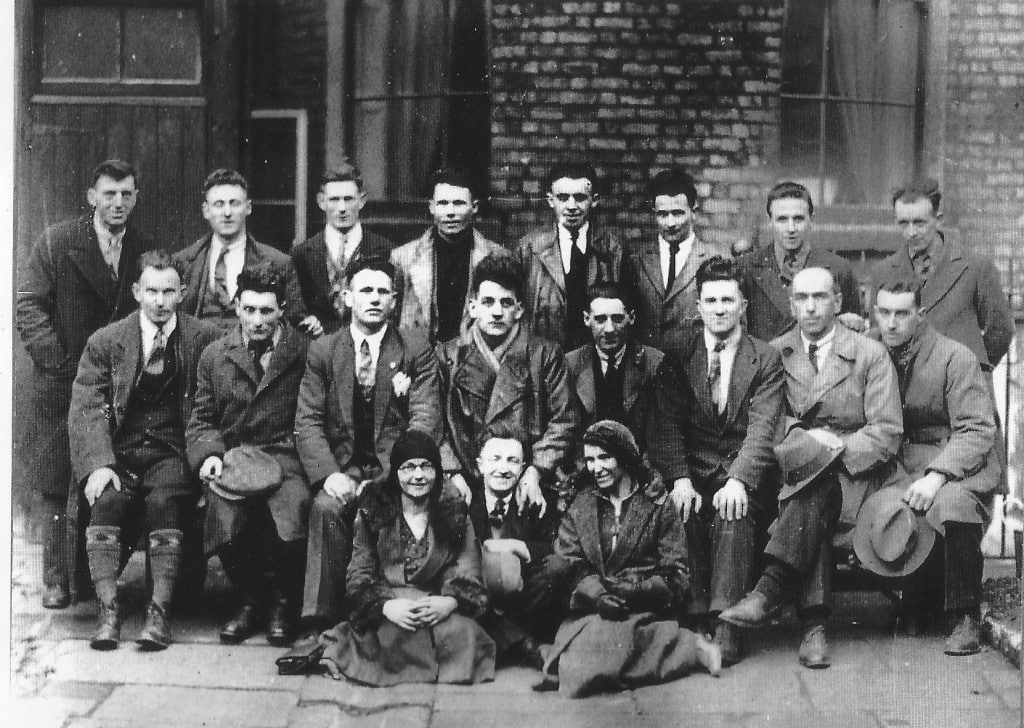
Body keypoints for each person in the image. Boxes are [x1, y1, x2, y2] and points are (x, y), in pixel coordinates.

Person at [719, 267, 903, 669]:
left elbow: (887, 430)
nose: (811, 307)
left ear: (838, 302)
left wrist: (834, 449)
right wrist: (807, 444)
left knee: (816, 492)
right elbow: (765, 420)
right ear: (791, 304)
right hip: (791, 472)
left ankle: (771, 594)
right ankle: (814, 628)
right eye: (802, 298)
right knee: (810, 494)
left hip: (853, 477)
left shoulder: (868, 353)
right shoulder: (773, 353)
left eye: (820, 297)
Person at [17, 159, 155, 609]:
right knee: (59, 480)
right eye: (109, 194)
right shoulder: (58, 242)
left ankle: (90, 573)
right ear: (92, 197)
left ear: (134, 199)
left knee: (105, 472)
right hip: (63, 385)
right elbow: (30, 307)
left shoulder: (142, 247)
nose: (118, 203)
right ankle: (57, 579)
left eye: (126, 194)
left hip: (116, 386)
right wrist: (61, 365)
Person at [67, 251, 220, 650]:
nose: (159, 301)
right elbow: (87, 406)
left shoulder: (203, 339)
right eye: (151, 290)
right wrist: (99, 464)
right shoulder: (107, 341)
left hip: (172, 453)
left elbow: (217, 404)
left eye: (168, 291)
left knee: (167, 502)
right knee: (107, 503)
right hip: (120, 454)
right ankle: (108, 612)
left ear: (182, 293)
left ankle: (158, 615)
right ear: (137, 291)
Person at [647, 256, 785, 665]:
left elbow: (764, 428)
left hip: (743, 472)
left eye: (729, 299)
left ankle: (725, 622)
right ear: (698, 306)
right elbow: (666, 425)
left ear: (744, 305)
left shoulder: (765, 358)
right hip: (695, 470)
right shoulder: (677, 353)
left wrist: (740, 479)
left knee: (733, 511)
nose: (720, 308)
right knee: (682, 508)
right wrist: (679, 478)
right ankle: (693, 618)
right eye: (711, 300)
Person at [294, 256, 442, 637]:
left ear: (394, 300)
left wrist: (394, 478)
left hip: (395, 471)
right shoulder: (324, 351)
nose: (374, 299)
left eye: (382, 292)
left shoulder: (414, 348)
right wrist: (329, 475)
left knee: (387, 507)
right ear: (347, 298)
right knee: (325, 509)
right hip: (343, 467)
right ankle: (320, 621)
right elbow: (308, 420)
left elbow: (423, 420)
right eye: (365, 291)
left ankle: (377, 613)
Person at [534, 421, 721, 697]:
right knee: (587, 658)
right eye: (589, 459)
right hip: (594, 606)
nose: (596, 468)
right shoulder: (581, 504)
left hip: (642, 606)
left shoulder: (658, 504)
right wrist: (596, 595)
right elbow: (570, 559)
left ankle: (687, 646)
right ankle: (675, 648)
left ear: (624, 456)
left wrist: (636, 592)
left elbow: (676, 572)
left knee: (587, 665)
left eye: (604, 457)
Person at [186, 263, 312, 646]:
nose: (258, 320)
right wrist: (209, 454)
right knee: (220, 510)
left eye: (267, 311)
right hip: (235, 456)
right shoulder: (215, 355)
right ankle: (250, 598)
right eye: (250, 309)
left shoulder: (304, 352)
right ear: (237, 307)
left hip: (287, 454)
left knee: (294, 505)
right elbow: (202, 419)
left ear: (282, 310)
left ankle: (282, 601)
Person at [872, 277, 999, 655]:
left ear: (920, 315)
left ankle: (965, 614)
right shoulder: (869, 350)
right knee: (875, 507)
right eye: (884, 313)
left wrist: (938, 474)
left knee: (951, 504)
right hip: (899, 459)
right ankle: (914, 597)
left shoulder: (953, 357)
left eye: (902, 314)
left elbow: (977, 428)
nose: (892, 323)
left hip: (957, 461)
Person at [314, 429, 495, 686]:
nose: (418, 476)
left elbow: (467, 564)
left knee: (463, 634)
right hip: (394, 604)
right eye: (408, 467)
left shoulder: (453, 511)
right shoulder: (374, 511)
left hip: (434, 604)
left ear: (437, 472)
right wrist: (385, 606)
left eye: (426, 467)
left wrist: (451, 602)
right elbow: (359, 572)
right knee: (390, 634)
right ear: (396, 473)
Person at [436, 254, 582, 506]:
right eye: (488, 302)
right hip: (466, 477)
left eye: (506, 303)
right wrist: (452, 472)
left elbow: (564, 420)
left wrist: (536, 469)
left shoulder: (544, 355)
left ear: (519, 309)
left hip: (529, 475)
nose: (496, 312)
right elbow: (434, 422)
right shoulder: (448, 356)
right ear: (473, 307)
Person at [872, 180, 1014, 374]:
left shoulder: (975, 266)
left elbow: (1001, 330)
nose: (911, 232)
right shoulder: (884, 271)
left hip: (961, 386)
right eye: (903, 223)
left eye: (919, 223)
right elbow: (879, 334)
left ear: (938, 219)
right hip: (904, 388)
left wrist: (975, 370)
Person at [469, 433, 569, 668]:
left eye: (512, 461)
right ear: (480, 465)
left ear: (523, 467)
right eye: (495, 459)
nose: (503, 469)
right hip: (480, 591)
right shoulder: (464, 499)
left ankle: (505, 639)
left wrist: (515, 546)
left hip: (524, 595)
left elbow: (553, 546)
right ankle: (523, 644)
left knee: (557, 569)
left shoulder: (539, 498)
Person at [390, 167, 506, 344]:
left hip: (476, 360)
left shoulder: (498, 257)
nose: (450, 212)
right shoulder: (403, 257)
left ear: (474, 207)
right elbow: (392, 317)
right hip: (420, 359)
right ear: (432, 207)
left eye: (458, 203)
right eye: (443, 203)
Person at [737, 181, 865, 341]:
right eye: (782, 219)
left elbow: (853, 332)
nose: (791, 228)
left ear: (811, 219)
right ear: (770, 221)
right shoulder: (746, 268)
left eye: (798, 219)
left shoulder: (839, 269)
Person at [516, 162, 624, 350]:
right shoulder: (529, 250)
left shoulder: (613, 251)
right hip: (544, 360)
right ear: (551, 200)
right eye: (563, 198)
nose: (571, 206)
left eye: (580, 198)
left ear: (594, 200)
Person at [174, 168, 297, 331]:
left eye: (234, 203)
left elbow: (294, 323)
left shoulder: (279, 262)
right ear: (206, 210)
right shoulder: (183, 261)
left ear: (248, 207)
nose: (227, 213)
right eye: (219, 204)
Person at [624, 168, 730, 352]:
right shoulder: (636, 260)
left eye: (678, 213)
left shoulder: (716, 259)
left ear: (694, 212)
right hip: (647, 373)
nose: (671, 223)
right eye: (663, 214)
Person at [287, 164, 395, 337]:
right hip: (318, 349)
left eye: (349, 199)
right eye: (334, 200)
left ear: (362, 200)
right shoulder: (301, 254)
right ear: (321, 202)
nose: (342, 208)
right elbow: (295, 309)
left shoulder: (386, 250)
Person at [565, 282, 664, 443]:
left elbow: (661, 435)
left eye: (617, 319)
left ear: (631, 318)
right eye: (600, 319)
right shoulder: (570, 365)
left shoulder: (655, 364)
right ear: (586, 319)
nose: (609, 329)